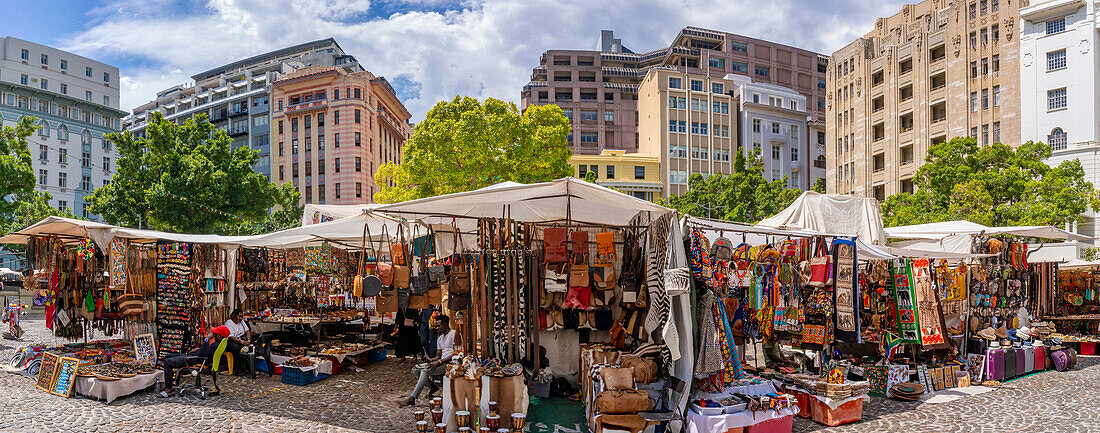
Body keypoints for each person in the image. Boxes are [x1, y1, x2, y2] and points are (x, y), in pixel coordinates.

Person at [397, 314, 458, 407]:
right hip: (441, 362)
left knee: (425, 370)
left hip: (451, 363)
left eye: (439, 325)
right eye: (436, 325)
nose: (436, 328)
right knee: (416, 369)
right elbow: (438, 356)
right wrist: (430, 359)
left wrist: (439, 362)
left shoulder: (453, 334)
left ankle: (412, 398)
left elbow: (456, 352)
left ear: (445, 324)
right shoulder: (440, 338)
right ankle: (433, 387)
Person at [157, 326, 230, 397]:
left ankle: (168, 389)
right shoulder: (219, 344)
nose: (213, 335)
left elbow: (203, 352)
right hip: (196, 357)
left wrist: (207, 339)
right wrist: (198, 349)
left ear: (219, 336)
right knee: (167, 356)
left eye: (215, 334)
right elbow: (205, 351)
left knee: (167, 362)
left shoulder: (215, 345)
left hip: (195, 360)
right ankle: (169, 383)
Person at [224, 309, 253, 373]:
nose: (240, 318)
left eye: (241, 317)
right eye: (239, 316)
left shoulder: (242, 322)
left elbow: (247, 332)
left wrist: (248, 340)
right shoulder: (229, 323)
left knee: (250, 347)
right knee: (236, 348)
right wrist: (241, 342)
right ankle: (236, 367)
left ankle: (246, 366)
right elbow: (231, 337)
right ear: (234, 316)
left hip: (240, 340)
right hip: (230, 341)